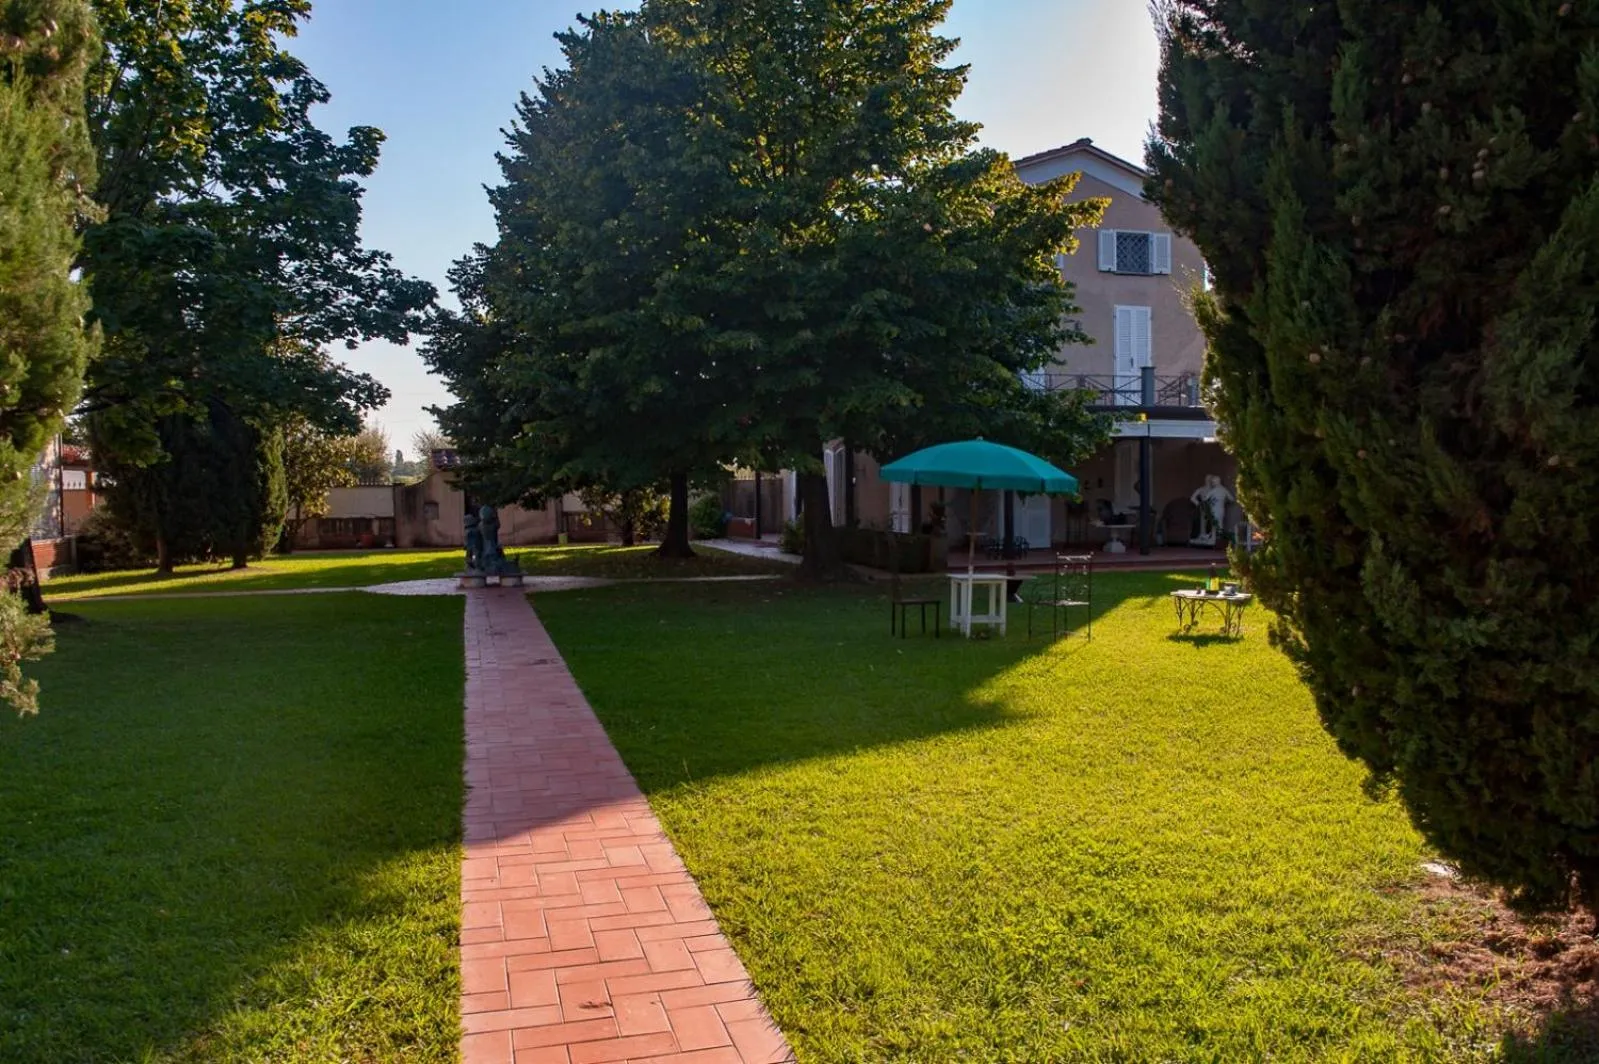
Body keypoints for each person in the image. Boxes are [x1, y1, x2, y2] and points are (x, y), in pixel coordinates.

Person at [1190, 475, 1235, 547]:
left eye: (1211, 481)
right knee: (1209, 524)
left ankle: (1216, 539)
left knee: (1215, 524)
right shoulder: (1202, 489)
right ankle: (1209, 537)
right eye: (1209, 480)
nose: (1210, 482)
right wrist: (1199, 505)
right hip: (1207, 509)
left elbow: (1206, 498)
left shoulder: (1214, 490)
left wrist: (1221, 501)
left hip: (1214, 509)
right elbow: (1193, 498)